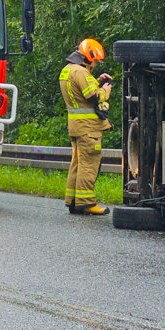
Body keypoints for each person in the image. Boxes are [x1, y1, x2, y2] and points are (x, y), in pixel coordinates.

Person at [59, 38, 114, 215]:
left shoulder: (67, 70)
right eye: (95, 60)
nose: (96, 64)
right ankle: (87, 202)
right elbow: (94, 98)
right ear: (88, 57)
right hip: (88, 128)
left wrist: (97, 81)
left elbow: (81, 94)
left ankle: (73, 201)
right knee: (89, 164)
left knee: (77, 163)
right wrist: (106, 90)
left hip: (76, 126)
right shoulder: (81, 72)